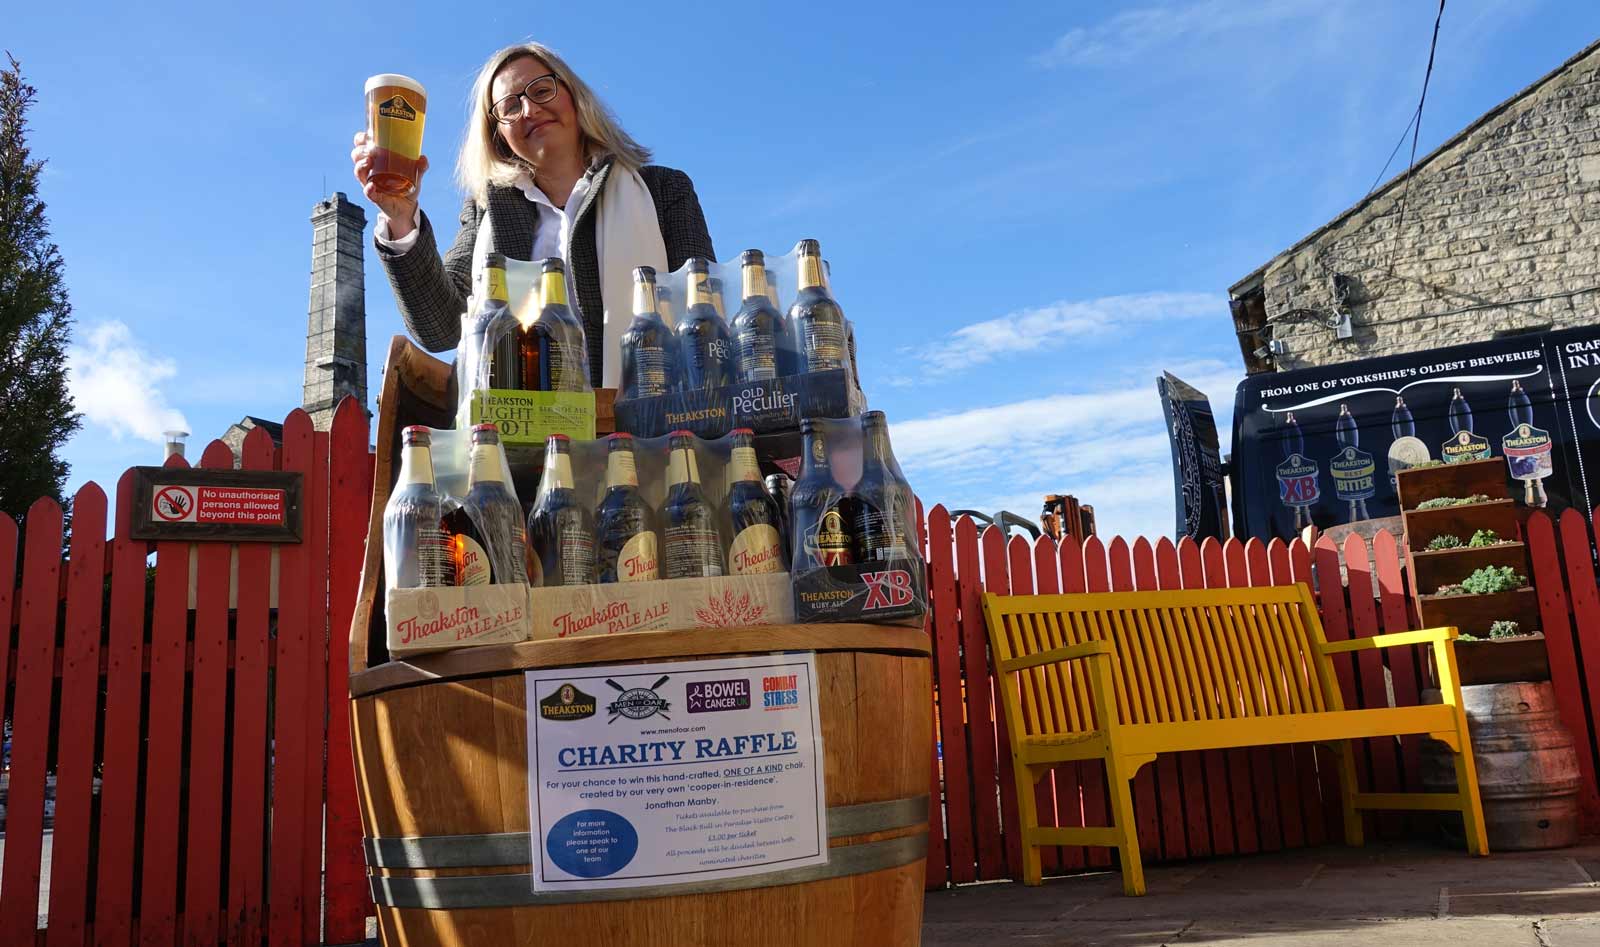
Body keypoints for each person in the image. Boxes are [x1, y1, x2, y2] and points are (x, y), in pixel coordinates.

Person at [351, 42, 715, 388]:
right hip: (517, 436)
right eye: (509, 106)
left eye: (541, 91)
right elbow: (441, 326)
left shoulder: (663, 191)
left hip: (639, 431)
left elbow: (705, 319)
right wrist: (400, 216)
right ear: (498, 135)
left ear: (574, 97)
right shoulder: (486, 212)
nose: (528, 110)